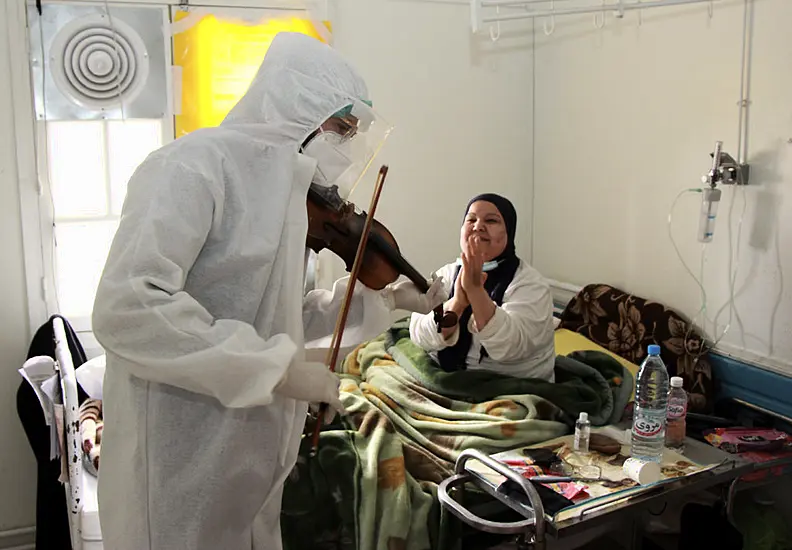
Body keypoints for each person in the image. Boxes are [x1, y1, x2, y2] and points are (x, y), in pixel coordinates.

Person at [91, 32, 445, 550]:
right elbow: (129, 308)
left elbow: (288, 314)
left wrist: (388, 300)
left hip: (250, 462)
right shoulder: (190, 169)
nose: (345, 148)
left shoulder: (288, 199)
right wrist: (277, 370)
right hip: (177, 463)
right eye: (341, 129)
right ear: (296, 105)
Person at [409, 194, 556, 380]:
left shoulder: (531, 284)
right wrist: (457, 303)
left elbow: (512, 348)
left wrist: (476, 292)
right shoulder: (445, 274)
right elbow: (419, 335)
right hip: (445, 376)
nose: (478, 226)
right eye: (471, 219)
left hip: (507, 384)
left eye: (491, 220)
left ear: (509, 232)